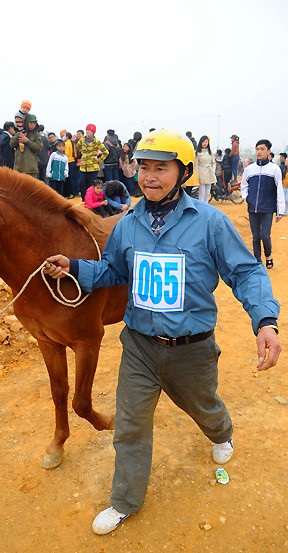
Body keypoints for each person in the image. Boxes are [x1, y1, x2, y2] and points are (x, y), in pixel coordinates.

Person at [44, 128, 281, 535]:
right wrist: (76, 268)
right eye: (144, 167)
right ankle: (125, 501)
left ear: (184, 172)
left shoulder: (209, 223)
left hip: (192, 348)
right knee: (131, 423)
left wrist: (265, 320)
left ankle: (222, 433)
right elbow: (115, 271)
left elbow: (245, 271)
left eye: (162, 168)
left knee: (204, 406)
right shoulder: (128, 223)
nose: (149, 177)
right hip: (139, 346)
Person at [240, 139, 285, 269]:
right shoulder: (249, 169)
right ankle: (257, 261)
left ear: (268, 151)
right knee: (255, 237)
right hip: (252, 207)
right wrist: (247, 198)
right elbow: (244, 186)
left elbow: (279, 190)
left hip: (267, 209)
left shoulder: (274, 169)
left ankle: (268, 256)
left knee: (265, 235)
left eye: (262, 149)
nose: (259, 151)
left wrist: (280, 210)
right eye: (257, 149)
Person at [77, 124, 109, 200]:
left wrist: (98, 160)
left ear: (92, 132)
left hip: (93, 167)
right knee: (81, 183)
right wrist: (84, 154)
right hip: (83, 166)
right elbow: (78, 146)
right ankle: (83, 200)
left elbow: (106, 152)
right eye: (86, 130)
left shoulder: (97, 142)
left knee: (90, 185)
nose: (87, 132)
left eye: (89, 131)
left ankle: (90, 201)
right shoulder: (82, 140)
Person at [10, 113, 42, 179]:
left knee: (31, 188)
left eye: (34, 123)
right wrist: (19, 135)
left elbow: (39, 147)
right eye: (31, 123)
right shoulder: (19, 132)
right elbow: (11, 144)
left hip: (31, 169)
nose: (32, 125)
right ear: (26, 123)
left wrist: (27, 141)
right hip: (18, 168)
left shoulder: (36, 135)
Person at [194, 135, 216, 202]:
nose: (205, 143)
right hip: (201, 173)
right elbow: (196, 165)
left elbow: (213, 162)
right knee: (202, 192)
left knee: (207, 193)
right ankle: (202, 207)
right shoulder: (197, 153)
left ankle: (206, 206)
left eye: (206, 142)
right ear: (200, 142)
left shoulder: (210, 152)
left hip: (209, 173)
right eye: (203, 142)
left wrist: (213, 170)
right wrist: (197, 175)